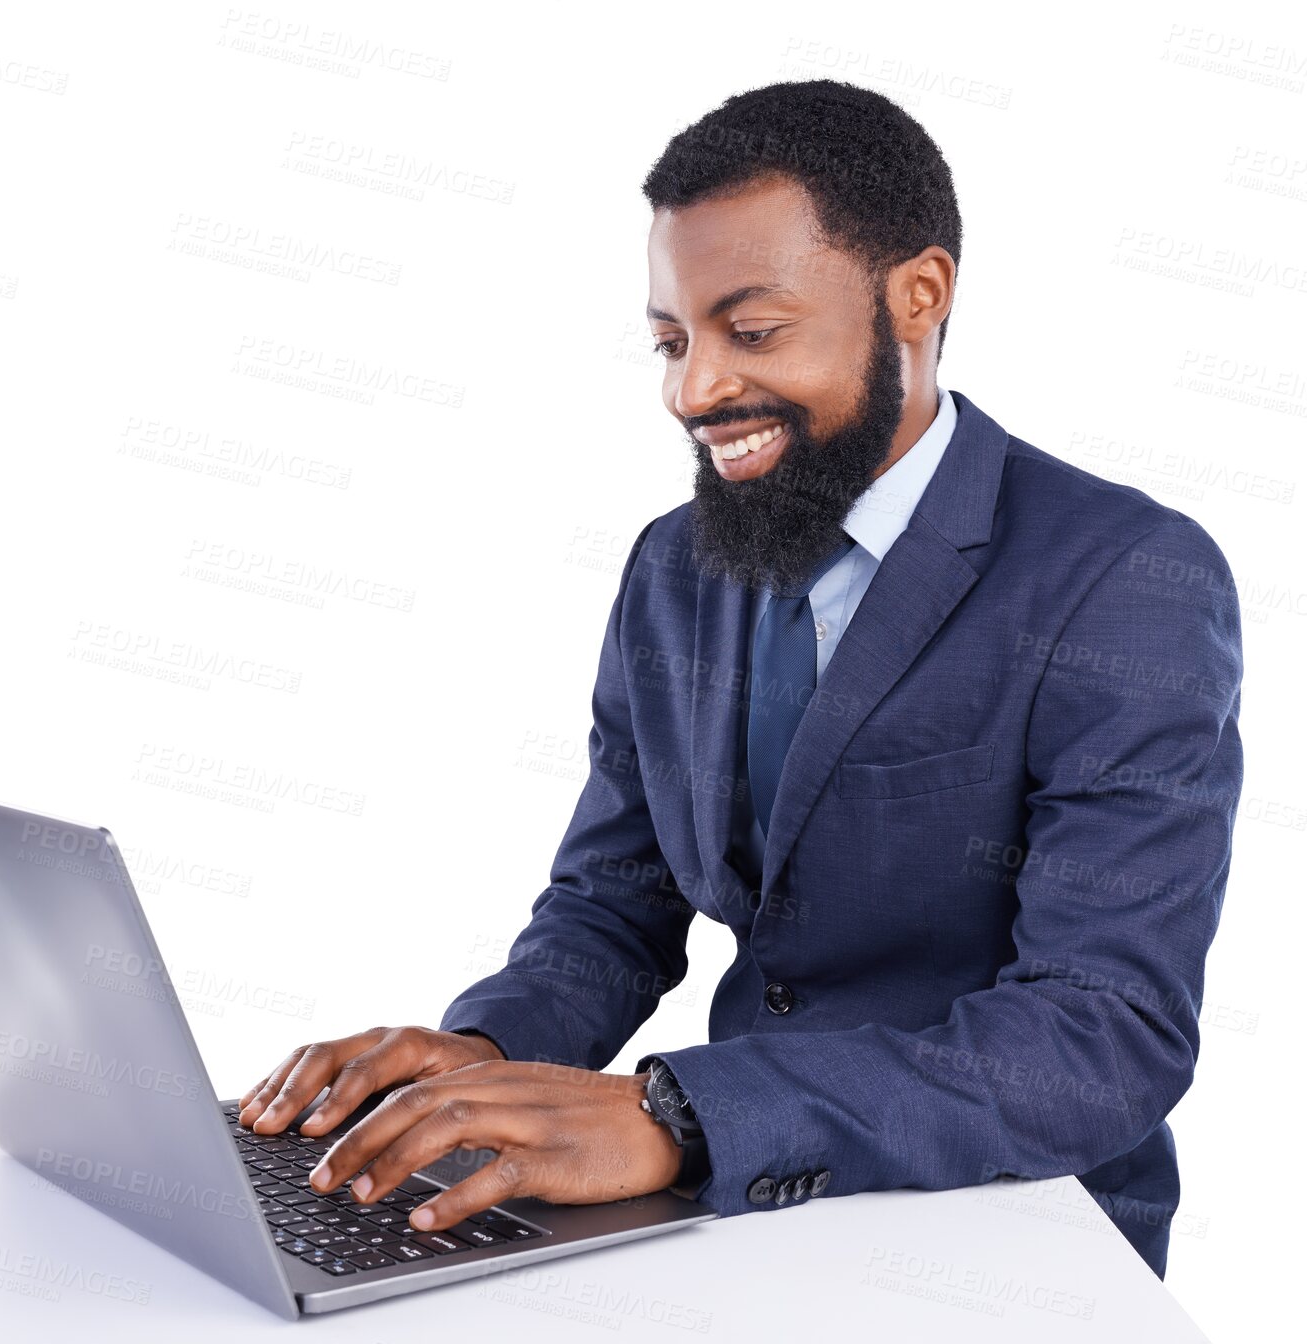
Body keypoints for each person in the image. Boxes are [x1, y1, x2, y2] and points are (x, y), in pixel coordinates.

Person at [239, 80, 1243, 1280]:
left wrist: (680, 1115)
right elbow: (615, 901)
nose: (692, 390)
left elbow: (1099, 1037)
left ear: (917, 296)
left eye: (751, 332)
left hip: (1013, 1230)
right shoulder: (679, 564)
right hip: (749, 1211)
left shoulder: (1123, 575)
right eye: (671, 340)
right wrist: (486, 1056)